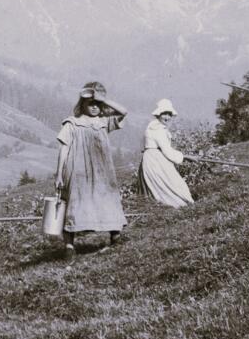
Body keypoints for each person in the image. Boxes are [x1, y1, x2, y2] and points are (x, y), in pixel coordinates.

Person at [55, 81, 128, 261]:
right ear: (82, 105)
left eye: (98, 105)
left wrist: (103, 98)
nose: (95, 107)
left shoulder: (103, 122)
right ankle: (69, 246)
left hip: (102, 170)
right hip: (78, 170)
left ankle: (115, 235)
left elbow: (124, 112)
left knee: (108, 198)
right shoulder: (72, 123)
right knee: (74, 202)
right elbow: (63, 149)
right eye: (91, 104)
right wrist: (58, 174)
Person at [135, 98, 194, 207]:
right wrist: (185, 157)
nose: (167, 117)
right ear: (158, 115)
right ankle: (181, 205)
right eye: (164, 114)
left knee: (163, 183)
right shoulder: (157, 130)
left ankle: (167, 205)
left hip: (152, 158)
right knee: (173, 183)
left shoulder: (153, 126)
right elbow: (167, 151)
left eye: (169, 114)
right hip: (156, 159)